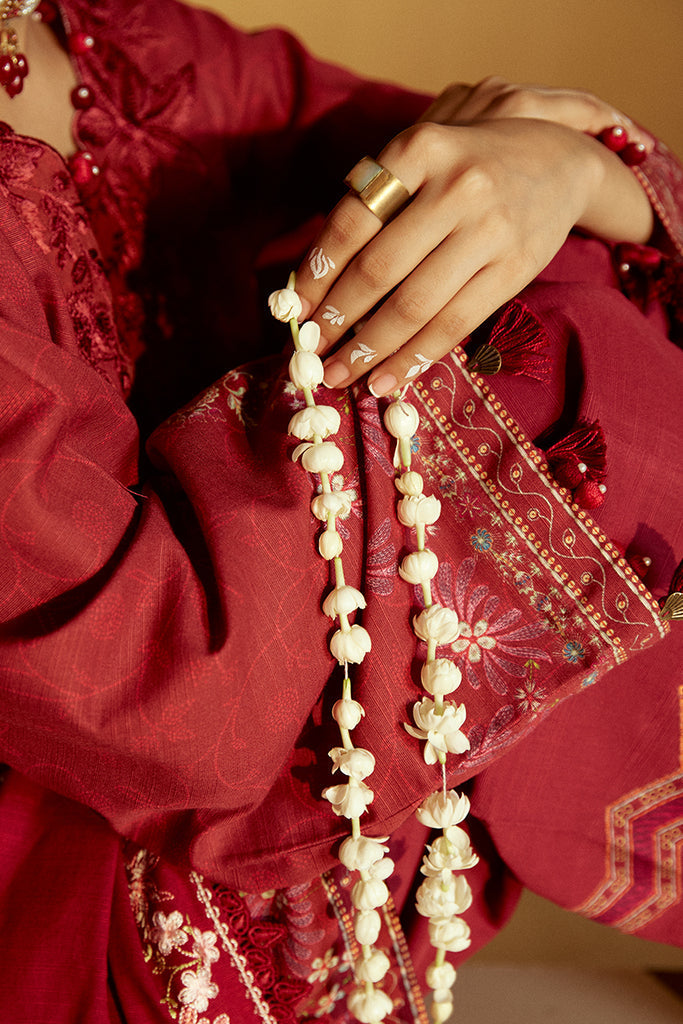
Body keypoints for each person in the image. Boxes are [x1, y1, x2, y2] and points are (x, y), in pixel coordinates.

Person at [0, 1, 680, 1022]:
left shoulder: (94, 38)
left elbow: (464, 166)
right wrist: (542, 379)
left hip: (354, 925)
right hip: (88, 939)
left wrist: (569, 175)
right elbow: (164, 687)